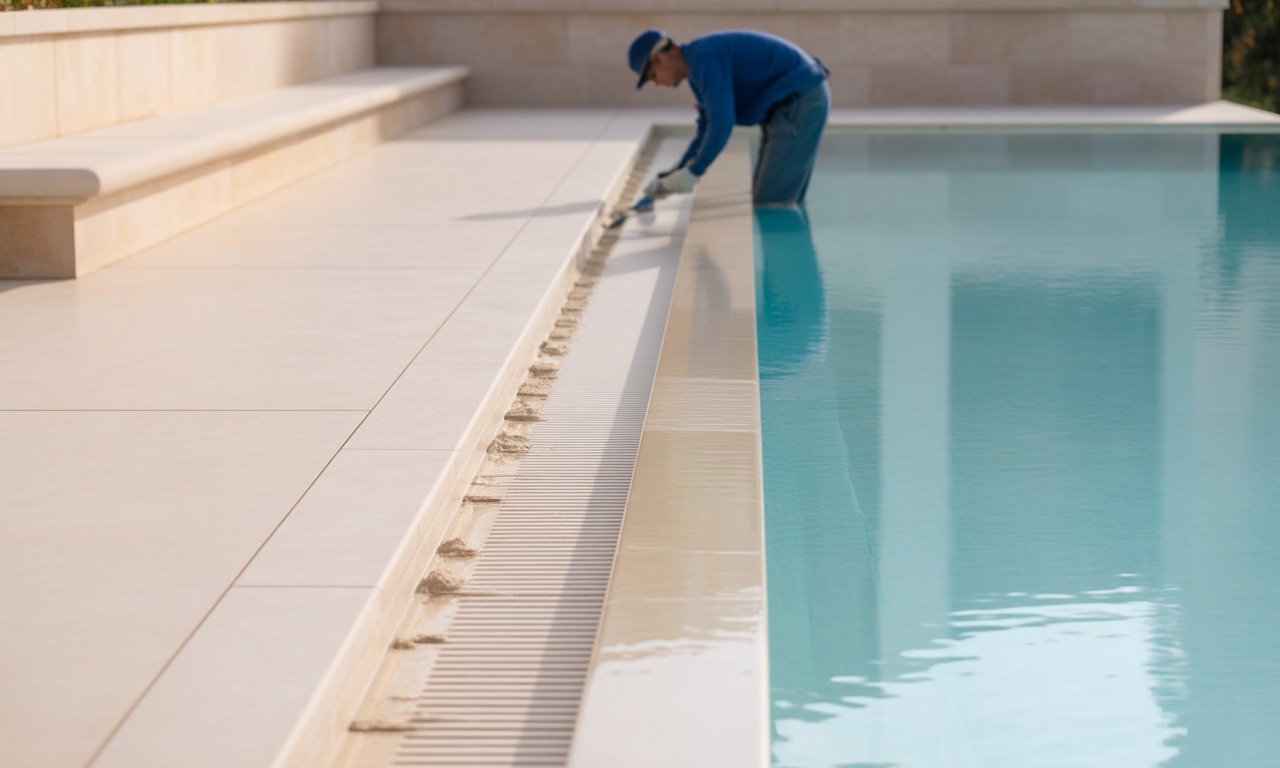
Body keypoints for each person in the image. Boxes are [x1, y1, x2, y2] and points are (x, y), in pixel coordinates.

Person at [628, 28, 831, 206]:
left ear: (661, 58)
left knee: (771, 200)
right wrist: (672, 176)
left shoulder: (705, 57)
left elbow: (722, 122)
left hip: (800, 100)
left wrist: (694, 172)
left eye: (653, 76)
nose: (657, 84)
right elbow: (706, 129)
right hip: (792, 104)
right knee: (774, 194)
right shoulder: (698, 70)